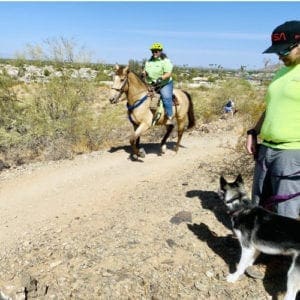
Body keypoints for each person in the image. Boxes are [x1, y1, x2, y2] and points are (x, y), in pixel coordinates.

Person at [246, 20, 300, 219]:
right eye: (277, 52)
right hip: (266, 149)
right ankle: (263, 248)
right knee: (259, 204)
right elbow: (272, 107)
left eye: (285, 50)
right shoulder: (282, 72)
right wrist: (254, 131)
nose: (280, 56)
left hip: (292, 152)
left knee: (287, 212)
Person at [143, 42, 174, 125]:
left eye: (156, 51)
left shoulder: (165, 61)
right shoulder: (149, 61)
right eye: (153, 51)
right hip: (151, 84)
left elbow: (168, 74)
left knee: (166, 97)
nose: (154, 53)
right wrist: (143, 74)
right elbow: (145, 71)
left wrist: (160, 79)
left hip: (164, 83)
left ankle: (169, 116)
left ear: (160, 51)